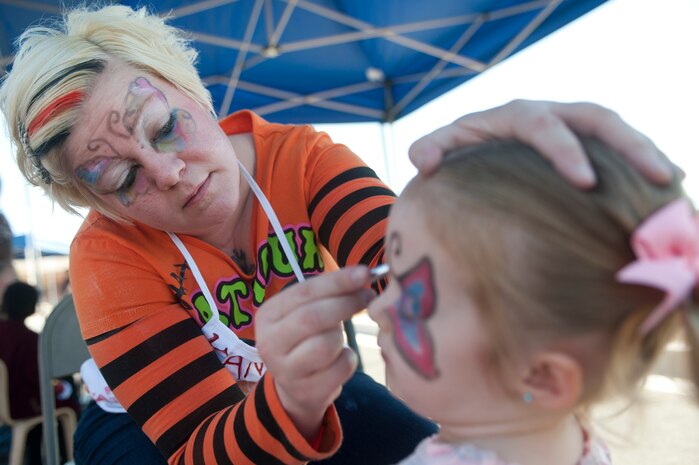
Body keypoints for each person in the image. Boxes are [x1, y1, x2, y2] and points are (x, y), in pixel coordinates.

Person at [0, 4, 675, 465]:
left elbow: (419, 275)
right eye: (119, 178)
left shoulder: (303, 158)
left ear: (191, 86)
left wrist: (479, 184)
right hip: (149, 430)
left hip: (301, 382)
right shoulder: (104, 254)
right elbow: (198, 446)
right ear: (93, 200)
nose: (169, 174)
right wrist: (288, 403)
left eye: (164, 125)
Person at [367, 137, 699, 465]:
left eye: (412, 298)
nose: (377, 308)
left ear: (542, 376)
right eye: (391, 273)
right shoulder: (580, 445)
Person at [0, 282, 80, 465]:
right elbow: (37, 378)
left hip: (7, 403)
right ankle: (65, 457)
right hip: (18, 404)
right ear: (29, 306)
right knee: (63, 402)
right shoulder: (29, 339)